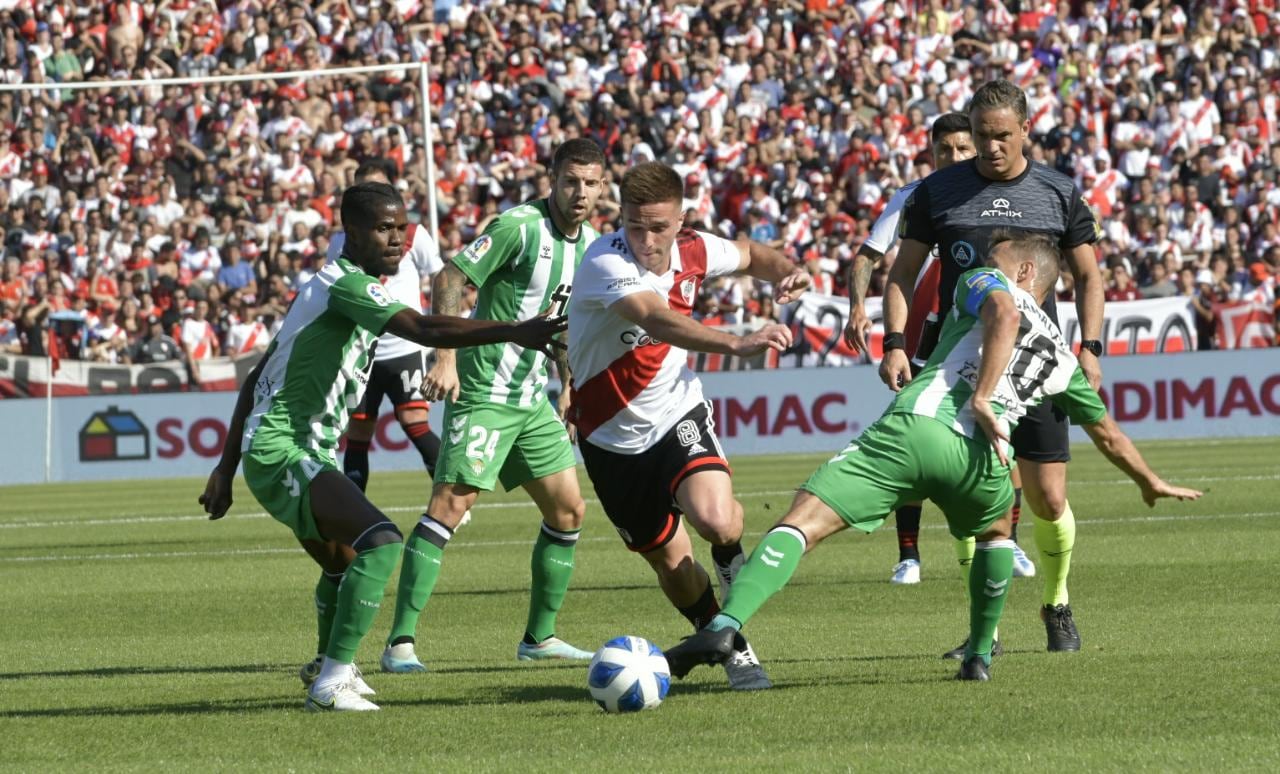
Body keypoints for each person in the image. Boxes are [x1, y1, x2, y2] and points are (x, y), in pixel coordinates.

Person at [665, 231, 1201, 683]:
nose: (985, 267)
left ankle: (724, 625)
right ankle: (979, 654)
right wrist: (1149, 481)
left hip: (917, 428)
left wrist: (984, 395)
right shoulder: (1062, 356)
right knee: (994, 532)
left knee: (803, 519)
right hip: (983, 464)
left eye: (998, 261)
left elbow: (1003, 311)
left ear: (1026, 270)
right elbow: (1107, 432)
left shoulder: (986, 282)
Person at [199, 182, 566, 712]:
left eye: (402, 228)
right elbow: (419, 325)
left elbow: (255, 376)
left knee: (342, 563)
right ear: (351, 233)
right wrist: (515, 329)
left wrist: (223, 469)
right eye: (383, 228)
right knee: (382, 541)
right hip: (284, 448)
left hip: (295, 449)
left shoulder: (327, 289)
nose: (397, 239)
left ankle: (327, 663)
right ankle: (331, 682)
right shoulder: (346, 286)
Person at [881, 80, 1106, 654]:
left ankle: (1056, 604)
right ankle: (989, 630)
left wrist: (1092, 347)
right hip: (960, 368)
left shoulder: (1058, 191)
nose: (989, 147)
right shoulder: (938, 192)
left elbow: (1089, 278)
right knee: (971, 504)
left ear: (1026, 129)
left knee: (1048, 498)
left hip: (1032, 367)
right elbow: (902, 275)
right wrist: (895, 343)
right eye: (981, 136)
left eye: (1001, 135)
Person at [567, 161, 809, 690]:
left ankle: (729, 600)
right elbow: (656, 318)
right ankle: (725, 641)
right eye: (635, 225)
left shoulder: (698, 248)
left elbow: (752, 255)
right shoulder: (604, 261)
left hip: (677, 412)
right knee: (673, 566)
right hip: (609, 440)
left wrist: (787, 270)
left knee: (718, 521)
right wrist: (736, 341)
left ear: (682, 219)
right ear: (621, 218)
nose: (646, 239)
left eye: (658, 227)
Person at [377, 139, 607, 673]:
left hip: (531, 400)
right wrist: (446, 358)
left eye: (590, 183)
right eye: (571, 180)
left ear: (601, 187)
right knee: (450, 508)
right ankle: (400, 645)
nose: (580, 193)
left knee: (569, 511)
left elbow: (564, 326)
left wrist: (568, 387)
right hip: (482, 391)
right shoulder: (518, 227)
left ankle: (539, 638)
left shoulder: (592, 245)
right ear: (553, 178)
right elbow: (451, 278)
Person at [845, 112, 1037, 586]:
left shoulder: (999, 196)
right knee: (910, 438)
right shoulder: (915, 197)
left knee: (995, 432)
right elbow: (870, 256)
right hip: (919, 338)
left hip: (976, 334)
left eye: (961, 149)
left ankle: (1006, 539)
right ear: (931, 153)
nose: (952, 157)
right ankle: (908, 555)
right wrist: (857, 309)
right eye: (943, 150)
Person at [327, 160, 446, 498]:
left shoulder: (413, 235)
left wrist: (440, 345)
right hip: (362, 352)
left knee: (415, 424)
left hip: (404, 348)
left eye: (377, 188)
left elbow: (441, 278)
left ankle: (450, 499)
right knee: (358, 432)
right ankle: (352, 511)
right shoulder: (340, 242)